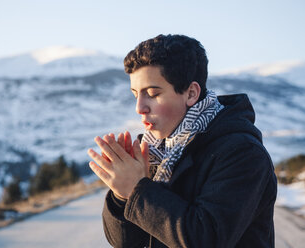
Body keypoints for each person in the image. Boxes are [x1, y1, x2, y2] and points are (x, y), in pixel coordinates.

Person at [87, 34, 277, 248]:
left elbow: (206, 240)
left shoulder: (242, 153)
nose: (139, 107)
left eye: (152, 93)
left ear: (191, 93)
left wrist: (136, 189)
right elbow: (125, 242)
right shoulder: (152, 151)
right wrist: (122, 195)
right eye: (135, 94)